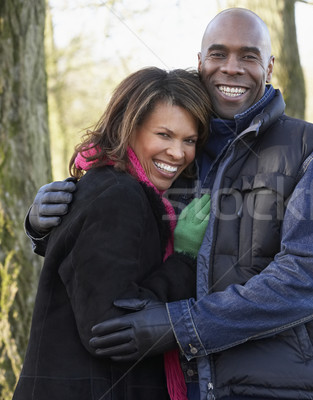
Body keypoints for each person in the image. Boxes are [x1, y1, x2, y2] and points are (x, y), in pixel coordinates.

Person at [26, 8, 313, 400]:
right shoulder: (178, 158)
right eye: (218, 54)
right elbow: (115, 251)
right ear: (199, 63)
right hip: (179, 386)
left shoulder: (311, 152)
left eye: (249, 56)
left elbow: (312, 277)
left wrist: (180, 326)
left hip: (281, 387)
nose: (231, 68)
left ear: (269, 67)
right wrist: (44, 224)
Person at [14, 67, 213, 400]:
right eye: (164, 135)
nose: (178, 153)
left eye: (189, 140)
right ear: (129, 129)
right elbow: (108, 326)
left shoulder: (139, 192)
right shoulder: (118, 195)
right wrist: (185, 260)